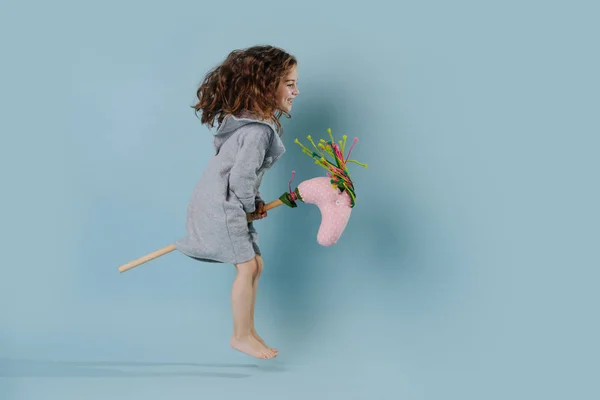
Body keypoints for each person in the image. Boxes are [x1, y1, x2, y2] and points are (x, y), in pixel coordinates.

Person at [174, 45, 300, 359]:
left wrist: (253, 201)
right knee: (246, 267)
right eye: (289, 83)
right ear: (265, 87)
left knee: (255, 264)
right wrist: (247, 204)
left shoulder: (246, 126)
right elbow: (242, 178)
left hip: (223, 202)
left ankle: (249, 330)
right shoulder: (257, 132)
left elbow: (242, 175)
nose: (296, 91)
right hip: (222, 208)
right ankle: (240, 335)